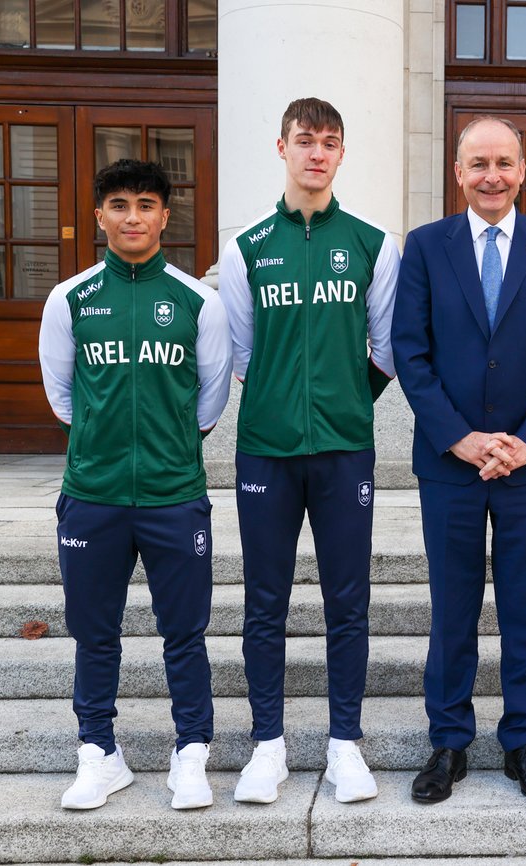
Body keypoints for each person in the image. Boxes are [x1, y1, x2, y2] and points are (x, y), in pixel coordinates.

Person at [392, 116, 526, 804]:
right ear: (458, 171)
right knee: (452, 607)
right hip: (450, 463)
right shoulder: (424, 247)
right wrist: (461, 438)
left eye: (504, 162)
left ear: (522, 170)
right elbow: (408, 354)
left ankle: (523, 743)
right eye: (478, 163)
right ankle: (448, 742)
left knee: (524, 607)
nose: (492, 176)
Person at [219, 97, 399, 805]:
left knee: (346, 601)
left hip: (344, 452)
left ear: (342, 154)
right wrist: (284, 404)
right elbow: (241, 353)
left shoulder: (372, 243)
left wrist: (341, 404)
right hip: (265, 450)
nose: (317, 153)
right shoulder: (247, 247)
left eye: (329, 142)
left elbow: (384, 348)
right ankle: (268, 745)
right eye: (305, 141)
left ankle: (344, 744)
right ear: (282, 147)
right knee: (265, 601)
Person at [39, 159, 232, 811]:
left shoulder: (197, 302)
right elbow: (63, 398)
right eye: (118, 204)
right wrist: (106, 443)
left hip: (174, 495)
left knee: (185, 631)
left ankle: (191, 753)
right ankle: (99, 752)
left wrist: (161, 451)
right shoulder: (68, 299)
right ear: (99, 216)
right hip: (92, 496)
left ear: (165, 217)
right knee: (95, 633)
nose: (132, 217)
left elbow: (208, 404)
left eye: (146, 204)